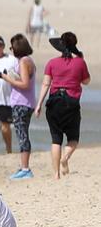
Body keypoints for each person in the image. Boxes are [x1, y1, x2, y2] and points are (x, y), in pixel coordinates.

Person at [35, 32, 90, 180]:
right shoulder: (80, 62)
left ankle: (56, 174)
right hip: (71, 104)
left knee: (55, 139)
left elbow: (46, 83)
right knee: (73, 138)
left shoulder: (52, 63)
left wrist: (38, 104)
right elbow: (86, 81)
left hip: (54, 102)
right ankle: (65, 158)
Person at [1, 34, 36, 179]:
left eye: (12, 47)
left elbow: (25, 84)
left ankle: (25, 168)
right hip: (26, 103)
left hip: (22, 103)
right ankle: (24, 166)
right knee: (23, 133)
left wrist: (7, 78)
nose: (11, 50)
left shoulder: (24, 62)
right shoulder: (28, 61)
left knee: (22, 135)